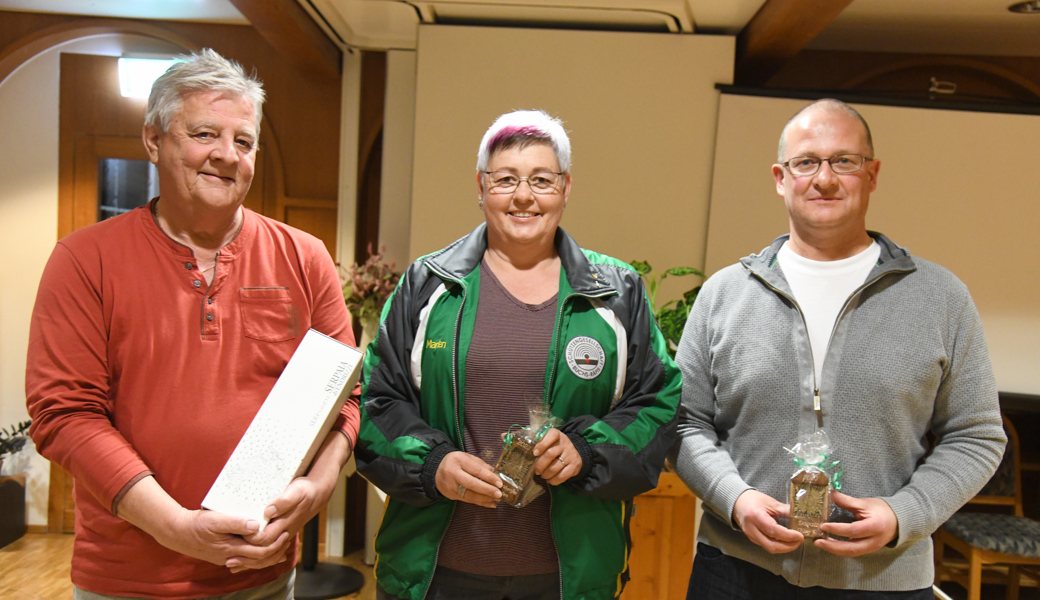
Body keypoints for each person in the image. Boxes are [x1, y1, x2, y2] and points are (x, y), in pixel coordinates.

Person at [25, 49, 359, 600]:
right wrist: (175, 527)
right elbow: (65, 414)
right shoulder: (85, 260)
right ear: (154, 139)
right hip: (127, 577)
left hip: (263, 568)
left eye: (244, 141)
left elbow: (347, 395)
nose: (227, 156)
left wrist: (318, 487)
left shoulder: (305, 256)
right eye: (205, 134)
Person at [671, 98, 1006, 599]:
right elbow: (683, 421)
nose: (824, 179)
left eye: (844, 161)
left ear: (872, 175)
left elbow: (977, 436)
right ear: (781, 178)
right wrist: (734, 499)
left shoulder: (940, 297)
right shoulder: (724, 294)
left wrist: (904, 513)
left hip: (882, 579)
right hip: (737, 573)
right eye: (806, 162)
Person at [355, 109, 682, 600]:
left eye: (541, 180)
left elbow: (660, 403)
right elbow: (377, 401)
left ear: (566, 188)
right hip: (435, 573)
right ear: (481, 187)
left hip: (569, 577)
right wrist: (432, 464)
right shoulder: (428, 286)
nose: (524, 195)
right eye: (506, 179)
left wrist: (587, 450)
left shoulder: (616, 292)